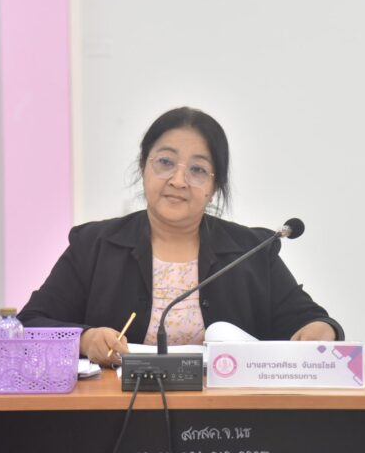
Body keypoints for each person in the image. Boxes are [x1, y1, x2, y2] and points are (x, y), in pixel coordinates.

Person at [18, 107, 344, 366]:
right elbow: (29, 325)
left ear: (214, 187)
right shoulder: (95, 245)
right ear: (143, 167)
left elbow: (311, 321)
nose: (178, 180)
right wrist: (84, 339)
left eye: (197, 170)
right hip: (114, 413)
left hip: (228, 417)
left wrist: (322, 330)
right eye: (165, 162)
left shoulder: (252, 250)